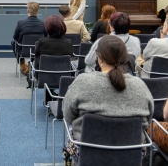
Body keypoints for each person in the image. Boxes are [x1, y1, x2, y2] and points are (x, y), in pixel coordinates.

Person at [63, 35, 154, 165]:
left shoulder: (82, 82)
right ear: (125, 58)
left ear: (99, 57)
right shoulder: (140, 86)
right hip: (132, 152)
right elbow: (147, 120)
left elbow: (68, 116)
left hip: (87, 150)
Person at [31, 15, 73, 88]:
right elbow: (71, 56)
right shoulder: (68, 43)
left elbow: (36, 54)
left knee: (39, 61)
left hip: (44, 77)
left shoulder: (42, 41)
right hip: (65, 78)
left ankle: (48, 95)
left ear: (48, 28)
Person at [11, 1, 46, 76]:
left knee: (13, 42)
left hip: (24, 51)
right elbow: (46, 38)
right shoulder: (44, 24)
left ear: (28, 11)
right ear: (38, 11)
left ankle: (22, 63)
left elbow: (15, 37)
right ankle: (32, 64)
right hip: (38, 51)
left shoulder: (21, 23)